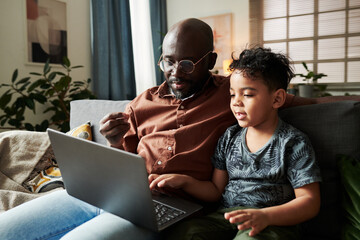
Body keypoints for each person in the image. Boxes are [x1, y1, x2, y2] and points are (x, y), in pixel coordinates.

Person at [0, 18, 357, 240]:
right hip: (110, 193)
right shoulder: (142, 102)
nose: (176, 72)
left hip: (171, 209)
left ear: (210, 62)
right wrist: (113, 141)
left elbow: (300, 102)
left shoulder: (231, 93)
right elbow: (122, 161)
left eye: (186, 63)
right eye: (168, 61)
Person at [148, 47, 322, 240]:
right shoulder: (230, 137)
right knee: (186, 232)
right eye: (232, 94)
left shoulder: (293, 142)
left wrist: (265, 216)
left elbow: (309, 202)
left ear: (277, 98)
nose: (236, 102)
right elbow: (215, 190)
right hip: (227, 217)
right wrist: (186, 182)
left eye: (247, 94)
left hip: (272, 222)